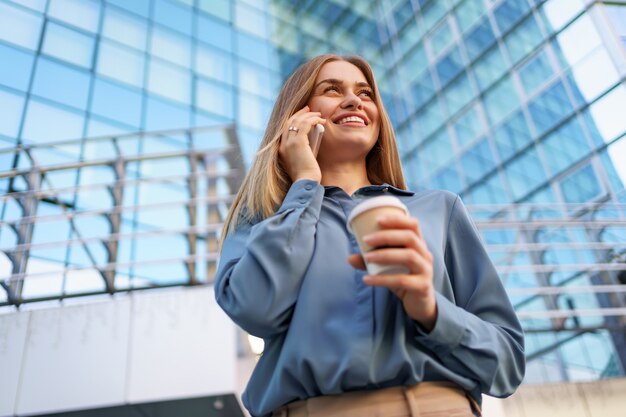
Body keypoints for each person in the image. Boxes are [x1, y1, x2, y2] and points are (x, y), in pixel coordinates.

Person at [215, 54, 525, 417]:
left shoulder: (440, 210)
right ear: (297, 115)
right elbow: (255, 308)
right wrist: (303, 185)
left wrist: (431, 310)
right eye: (332, 90)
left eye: (365, 93)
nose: (354, 100)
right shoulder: (263, 216)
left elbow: (506, 365)